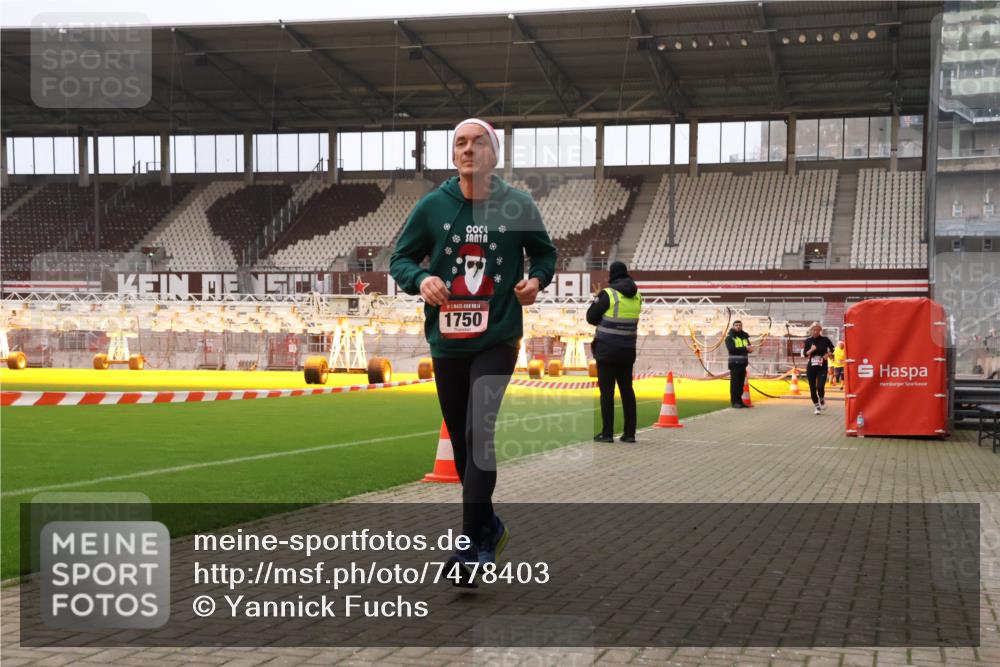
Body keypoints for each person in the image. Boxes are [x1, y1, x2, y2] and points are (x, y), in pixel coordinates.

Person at [389, 118, 556, 585]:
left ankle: (469, 546)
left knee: (477, 432)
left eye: (477, 142)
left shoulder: (518, 205)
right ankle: (489, 527)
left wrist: (536, 281)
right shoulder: (431, 207)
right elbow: (400, 258)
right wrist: (420, 279)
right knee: (462, 444)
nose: (468, 149)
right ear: (453, 154)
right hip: (446, 341)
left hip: (498, 335)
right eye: (460, 143)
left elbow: (545, 254)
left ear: (494, 153)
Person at [586, 261, 641, 443]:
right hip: (627, 350)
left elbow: (590, 317)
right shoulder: (637, 295)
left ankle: (607, 433)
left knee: (607, 393)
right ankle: (630, 434)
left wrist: (598, 300)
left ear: (612, 275)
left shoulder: (609, 294)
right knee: (627, 391)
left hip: (607, 351)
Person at [802, 322, 836, 414]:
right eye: (814, 329)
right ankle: (817, 407)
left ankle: (821, 398)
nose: (816, 331)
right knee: (812, 388)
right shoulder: (808, 341)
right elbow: (805, 354)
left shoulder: (825, 340)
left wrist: (828, 354)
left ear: (820, 330)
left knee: (820, 386)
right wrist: (811, 350)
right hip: (811, 367)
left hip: (822, 366)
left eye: (818, 329)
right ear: (811, 330)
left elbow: (833, 349)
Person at [725, 320, 753, 408]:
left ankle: (740, 402)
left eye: (740, 325)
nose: (738, 326)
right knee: (735, 384)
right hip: (735, 364)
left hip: (743, 364)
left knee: (740, 385)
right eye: (736, 325)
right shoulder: (729, 338)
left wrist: (750, 349)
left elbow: (748, 347)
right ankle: (734, 402)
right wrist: (746, 349)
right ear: (733, 326)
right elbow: (732, 349)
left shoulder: (744, 337)